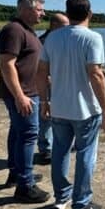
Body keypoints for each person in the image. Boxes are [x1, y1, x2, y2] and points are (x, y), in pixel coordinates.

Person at [37, 0, 105, 209]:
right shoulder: (93, 38)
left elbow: (41, 72)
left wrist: (45, 101)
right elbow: (96, 74)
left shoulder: (52, 39)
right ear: (89, 14)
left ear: (67, 14)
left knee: (59, 151)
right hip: (85, 111)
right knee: (86, 154)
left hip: (59, 107)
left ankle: (61, 198)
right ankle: (81, 205)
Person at [0, 0, 50, 203]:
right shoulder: (13, 30)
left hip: (29, 92)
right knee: (28, 135)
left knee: (18, 133)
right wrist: (20, 96)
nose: (43, 13)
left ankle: (17, 174)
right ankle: (25, 186)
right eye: (40, 10)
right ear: (26, 10)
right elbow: (7, 64)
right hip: (24, 95)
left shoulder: (27, 31)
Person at [36, 12, 70, 165]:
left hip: (62, 84)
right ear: (54, 25)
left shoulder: (62, 40)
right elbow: (38, 66)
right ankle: (45, 149)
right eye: (65, 26)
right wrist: (47, 77)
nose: (68, 29)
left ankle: (59, 144)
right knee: (45, 117)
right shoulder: (42, 41)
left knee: (63, 116)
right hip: (47, 84)